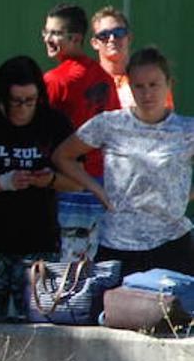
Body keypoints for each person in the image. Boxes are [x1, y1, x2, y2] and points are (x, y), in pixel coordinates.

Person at [52, 47, 194, 278]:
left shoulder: (187, 130)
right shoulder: (110, 124)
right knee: (113, 313)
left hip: (171, 241)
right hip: (118, 242)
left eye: (154, 84)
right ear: (130, 86)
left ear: (169, 84)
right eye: (139, 86)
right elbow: (62, 156)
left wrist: (183, 195)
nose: (147, 93)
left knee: (173, 313)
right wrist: (97, 189)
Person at [0, 56, 76, 320]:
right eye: (16, 101)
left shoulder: (54, 123)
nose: (22, 108)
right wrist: (1, 182)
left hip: (39, 241)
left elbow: (78, 180)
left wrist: (50, 179)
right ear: (1, 98)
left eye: (29, 101)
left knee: (40, 325)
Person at [41, 3, 119, 179]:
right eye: (46, 32)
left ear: (76, 39)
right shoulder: (105, 78)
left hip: (67, 179)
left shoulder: (55, 80)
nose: (47, 38)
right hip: (101, 182)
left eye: (55, 33)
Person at [91, 6, 174, 111]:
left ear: (129, 38)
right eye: (104, 35)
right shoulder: (88, 81)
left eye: (119, 33)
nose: (112, 39)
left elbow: (163, 121)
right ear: (95, 43)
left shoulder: (149, 79)